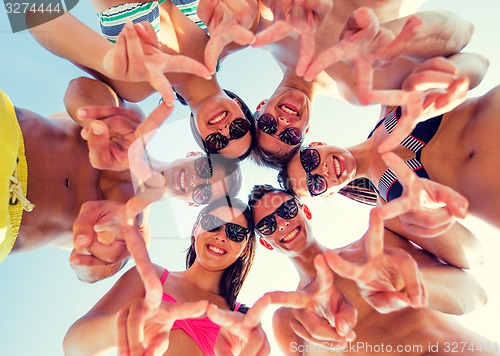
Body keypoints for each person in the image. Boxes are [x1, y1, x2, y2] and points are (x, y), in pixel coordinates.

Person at [248, 184, 496, 355]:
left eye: (287, 210)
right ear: (265, 243)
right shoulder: (289, 318)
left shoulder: (380, 241)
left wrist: (407, 283)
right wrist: (329, 349)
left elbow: (476, 294)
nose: (281, 223)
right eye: (267, 225)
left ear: (306, 210)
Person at [279, 52, 500, 229]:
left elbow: (478, 63)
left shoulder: (391, 100)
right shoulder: (393, 212)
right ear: (329, 193)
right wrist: (432, 221)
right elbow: (468, 253)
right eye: (315, 184)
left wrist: (456, 79)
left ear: (317, 144)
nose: (321, 169)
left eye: (309, 160)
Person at [249, 4, 475, 166]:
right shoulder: (357, 85)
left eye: (268, 125)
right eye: (289, 137)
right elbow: (461, 34)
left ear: (260, 106)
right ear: (305, 130)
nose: (283, 123)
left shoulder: (266, 33)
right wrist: (396, 34)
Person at [28, 1, 258, 160]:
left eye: (218, 142)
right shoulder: (235, 36)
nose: (226, 129)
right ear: (241, 107)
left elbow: (36, 14)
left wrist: (104, 59)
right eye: (238, 129)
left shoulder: (134, 85)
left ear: (200, 137)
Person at [63, 196, 260, 356]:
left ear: (245, 249)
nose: (221, 236)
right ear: (195, 229)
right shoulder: (150, 278)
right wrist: (126, 324)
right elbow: (73, 346)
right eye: (212, 223)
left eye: (235, 233)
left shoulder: (244, 320)